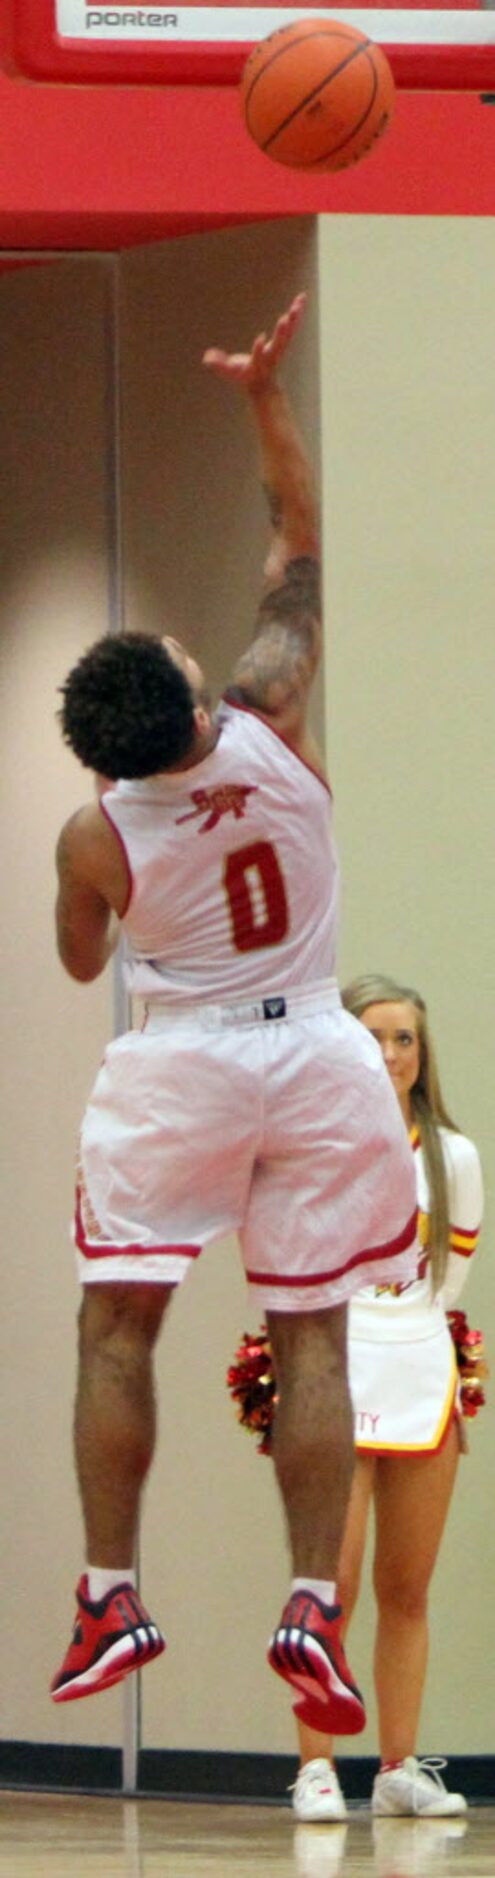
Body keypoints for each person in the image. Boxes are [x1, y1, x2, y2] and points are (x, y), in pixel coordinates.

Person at [51, 299, 418, 1725]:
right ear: (192, 696)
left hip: (184, 1058)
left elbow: (86, 966)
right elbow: (298, 543)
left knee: (116, 1329)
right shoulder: (270, 711)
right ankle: (308, 1610)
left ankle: (107, 1597)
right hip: (318, 1046)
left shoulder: (96, 834)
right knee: (311, 1328)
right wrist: (263, 398)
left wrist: (110, 899)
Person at [292, 973, 483, 1824]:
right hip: (332, 1371)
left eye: (404, 1039)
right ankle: (316, 1770)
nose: (391, 1055)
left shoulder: (455, 1156)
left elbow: (450, 1282)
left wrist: (415, 1344)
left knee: (408, 1586)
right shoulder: (303, 1144)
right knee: (329, 1582)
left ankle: (397, 1768)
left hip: (418, 1369)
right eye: (372, 1036)